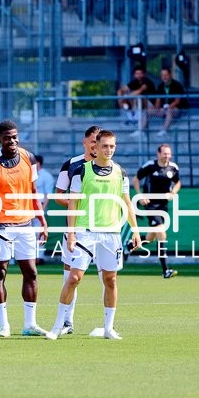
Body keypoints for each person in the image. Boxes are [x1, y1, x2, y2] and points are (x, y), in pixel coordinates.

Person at [49, 129, 142, 340]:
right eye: (105, 146)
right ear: (96, 147)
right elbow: (72, 203)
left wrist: (135, 231)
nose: (108, 150)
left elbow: (127, 203)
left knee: (111, 280)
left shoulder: (121, 173)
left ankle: (109, 328)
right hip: (85, 232)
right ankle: (57, 326)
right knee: (74, 278)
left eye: (112, 146)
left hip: (111, 233)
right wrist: (71, 234)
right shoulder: (82, 171)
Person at [0, 120, 50, 338]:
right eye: (8, 138)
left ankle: (30, 324)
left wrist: (41, 220)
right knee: (0, 274)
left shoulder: (29, 158)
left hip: (25, 224)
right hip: (0, 226)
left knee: (31, 273)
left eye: (15, 137)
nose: (13, 141)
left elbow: (33, 191)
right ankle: (4, 325)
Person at [53, 125, 101, 335]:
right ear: (84, 142)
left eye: (99, 142)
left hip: (103, 230)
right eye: (93, 142)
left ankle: (109, 323)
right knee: (70, 277)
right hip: (76, 228)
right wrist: (78, 207)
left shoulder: (110, 166)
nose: (96, 146)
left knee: (107, 277)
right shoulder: (71, 165)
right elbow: (59, 195)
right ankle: (67, 322)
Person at [131, 143, 181, 279]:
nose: (167, 156)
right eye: (164, 153)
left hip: (163, 206)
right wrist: (140, 195)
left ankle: (131, 244)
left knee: (150, 237)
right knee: (161, 233)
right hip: (151, 205)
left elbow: (178, 182)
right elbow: (135, 179)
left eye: (169, 153)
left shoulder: (173, 167)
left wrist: (173, 192)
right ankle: (165, 270)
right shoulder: (150, 166)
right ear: (158, 154)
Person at [151, 67, 188, 136]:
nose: (164, 77)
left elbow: (177, 101)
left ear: (170, 75)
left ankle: (164, 130)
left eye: (166, 75)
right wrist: (155, 108)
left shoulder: (177, 85)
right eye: (162, 75)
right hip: (164, 109)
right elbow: (158, 101)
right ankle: (141, 130)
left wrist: (168, 107)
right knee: (148, 111)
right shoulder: (160, 86)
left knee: (169, 110)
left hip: (177, 109)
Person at [34, 154, 56, 264]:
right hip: (28, 206)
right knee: (28, 233)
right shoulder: (29, 174)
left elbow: (48, 194)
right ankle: (30, 257)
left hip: (40, 205)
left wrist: (42, 209)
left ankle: (39, 257)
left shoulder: (46, 176)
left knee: (40, 231)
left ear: (39, 163)